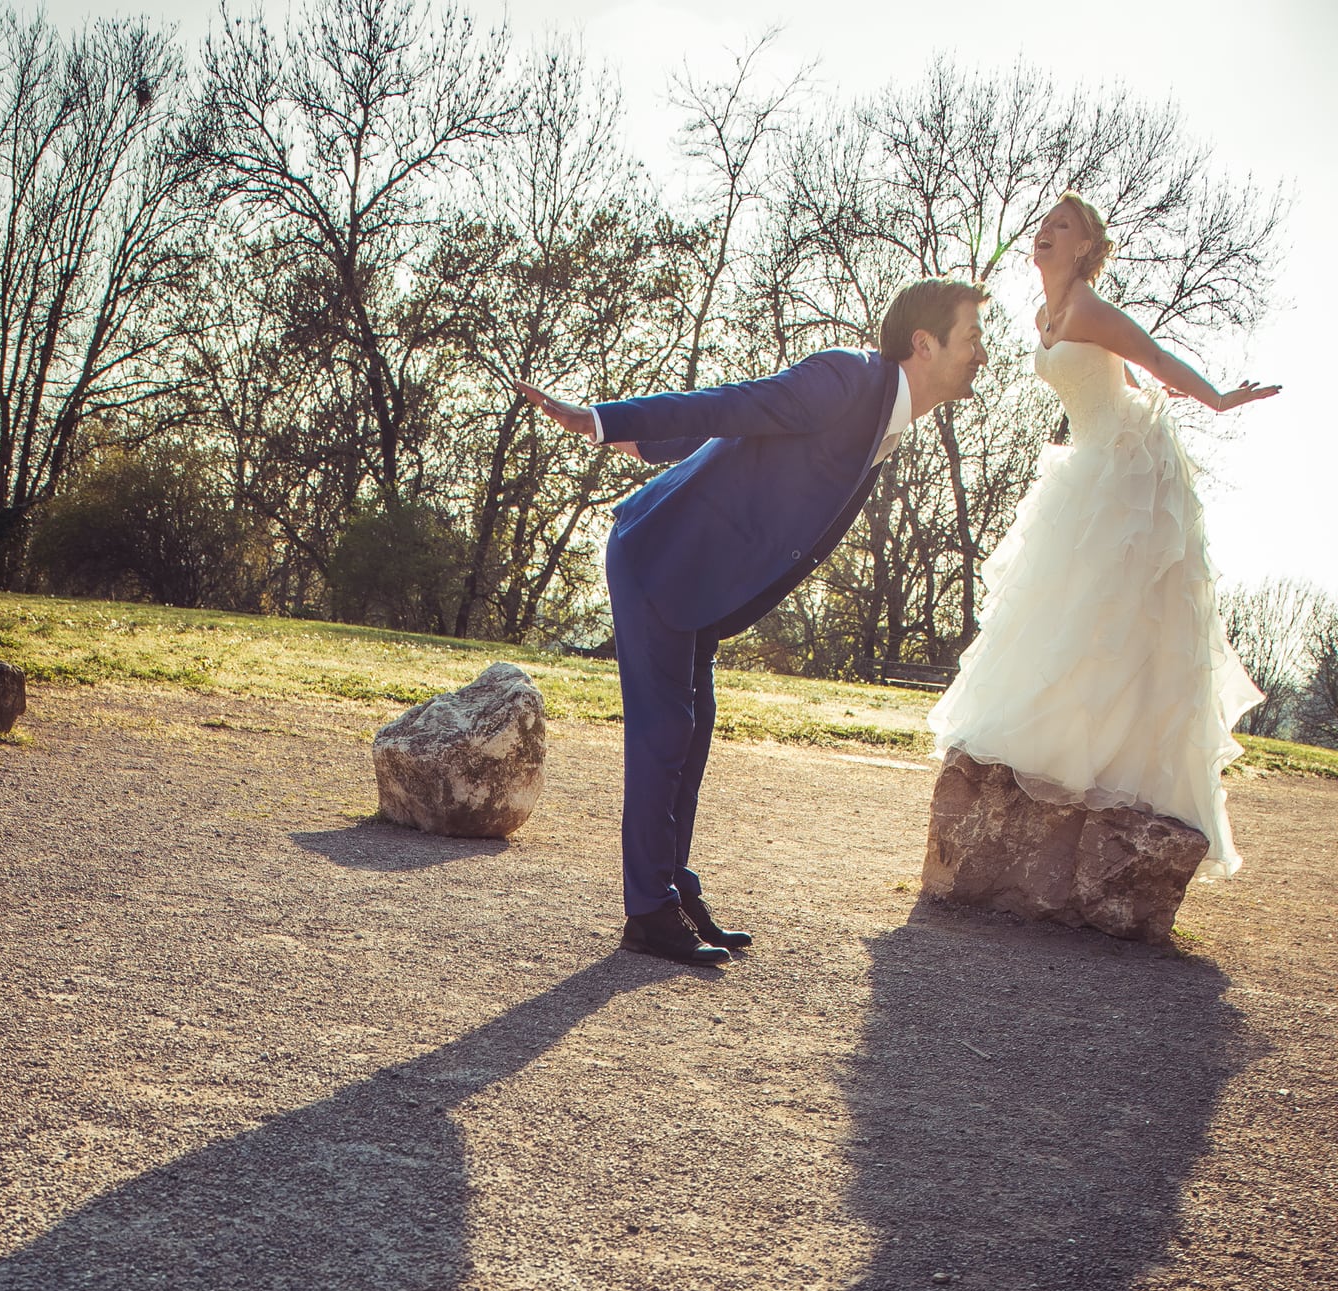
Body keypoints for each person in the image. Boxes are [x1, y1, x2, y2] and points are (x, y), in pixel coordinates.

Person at [517, 284, 987, 964]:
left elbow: (733, 435)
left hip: (709, 579)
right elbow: (733, 405)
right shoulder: (848, 379)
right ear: (925, 343)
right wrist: (602, 419)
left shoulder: (889, 415)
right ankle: (649, 913)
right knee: (665, 731)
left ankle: (671, 890)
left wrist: (648, 447)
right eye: (971, 338)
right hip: (663, 553)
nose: (981, 354)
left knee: (694, 728)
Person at [927, 192, 1279, 876]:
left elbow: (1153, 358)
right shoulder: (1043, 315)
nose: (1046, 232)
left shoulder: (1086, 307)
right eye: (1044, 224)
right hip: (1085, 458)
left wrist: (1219, 398)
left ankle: (1115, 771)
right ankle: (1051, 749)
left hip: (1120, 464)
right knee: (1062, 607)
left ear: (1086, 247)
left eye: (1063, 226)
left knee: (1113, 612)